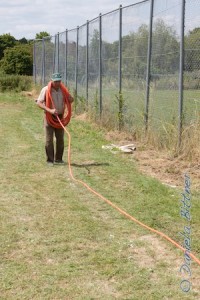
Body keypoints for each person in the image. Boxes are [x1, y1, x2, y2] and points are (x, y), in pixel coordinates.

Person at [37, 73, 74, 166]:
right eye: (56, 81)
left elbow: (70, 100)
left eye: (59, 81)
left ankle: (59, 159)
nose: (57, 83)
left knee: (60, 139)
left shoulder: (63, 90)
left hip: (60, 118)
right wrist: (50, 110)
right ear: (52, 80)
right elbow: (39, 103)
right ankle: (50, 160)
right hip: (49, 117)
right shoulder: (46, 90)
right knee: (49, 140)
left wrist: (71, 99)